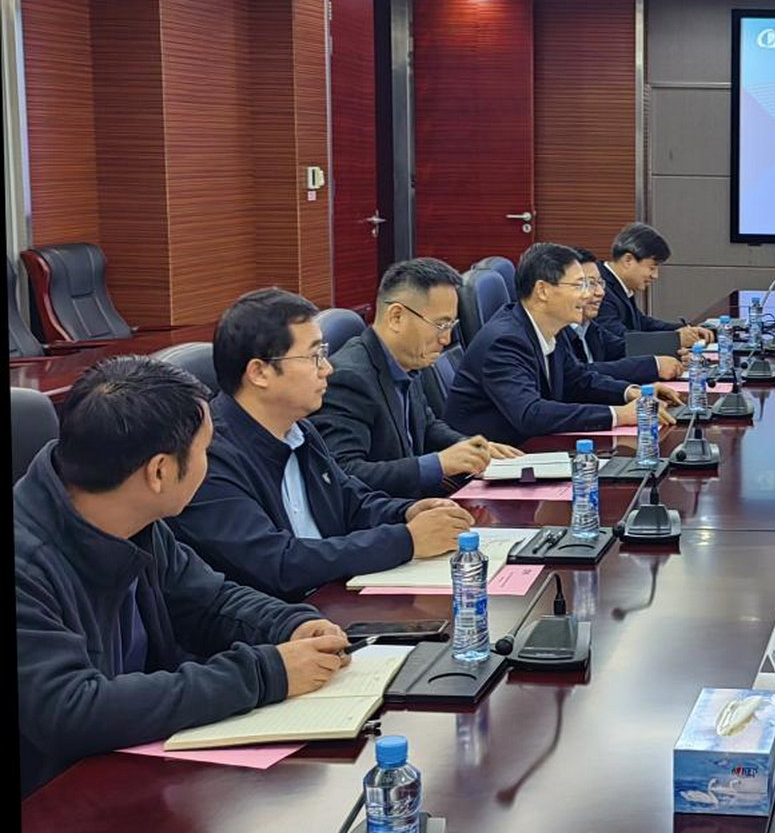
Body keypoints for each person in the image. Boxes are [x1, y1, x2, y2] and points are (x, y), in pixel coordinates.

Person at [16, 357, 351, 795]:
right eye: (205, 451)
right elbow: (72, 709)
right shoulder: (26, 564)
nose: (209, 464)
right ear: (159, 472)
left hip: (135, 768)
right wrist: (265, 673)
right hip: (57, 797)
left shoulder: (136, 520)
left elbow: (210, 600)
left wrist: (289, 624)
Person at [171, 288, 474, 600]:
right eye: (314, 356)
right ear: (259, 372)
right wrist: (406, 540)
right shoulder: (209, 456)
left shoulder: (299, 429)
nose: (327, 368)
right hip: (281, 620)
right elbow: (277, 563)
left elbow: (351, 502)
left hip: (333, 599)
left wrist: (407, 512)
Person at [312, 258, 523, 497]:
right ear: (396, 317)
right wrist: (437, 464)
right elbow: (344, 473)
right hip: (386, 512)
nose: (446, 339)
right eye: (441, 325)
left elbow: (427, 426)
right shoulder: (349, 379)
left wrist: (471, 448)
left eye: (451, 325)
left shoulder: (406, 359)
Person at [446, 242, 682, 442]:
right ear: (543, 290)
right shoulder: (505, 341)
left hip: (529, 448)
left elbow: (578, 380)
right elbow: (530, 413)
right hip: (485, 462)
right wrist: (620, 415)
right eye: (579, 285)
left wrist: (631, 393)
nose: (587, 295)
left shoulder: (550, 327)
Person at [561, 248, 685, 385]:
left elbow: (621, 347)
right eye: (590, 284)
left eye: (600, 283)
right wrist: (654, 366)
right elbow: (579, 374)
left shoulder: (588, 326)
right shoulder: (556, 332)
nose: (601, 292)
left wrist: (672, 351)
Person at [597, 221, 713, 350]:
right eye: (652, 268)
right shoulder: (599, 288)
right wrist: (674, 339)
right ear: (628, 260)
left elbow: (642, 323)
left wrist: (685, 330)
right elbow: (620, 338)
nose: (655, 275)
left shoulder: (618, 283)